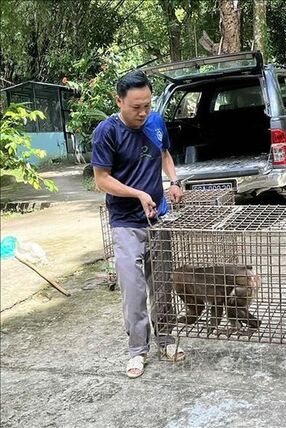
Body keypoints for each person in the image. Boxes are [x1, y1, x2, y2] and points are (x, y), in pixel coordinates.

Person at [92, 70, 184, 378]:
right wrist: (138, 193)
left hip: (159, 219)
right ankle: (136, 350)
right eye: (135, 107)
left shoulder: (155, 123)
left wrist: (173, 181)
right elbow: (102, 180)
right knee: (133, 290)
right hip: (125, 222)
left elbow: (165, 154)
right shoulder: (107, 131)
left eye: (147, 104)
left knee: (162, 283)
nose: (143, 112)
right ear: (119, 101)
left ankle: (167, 339)